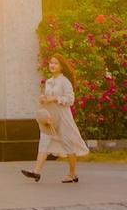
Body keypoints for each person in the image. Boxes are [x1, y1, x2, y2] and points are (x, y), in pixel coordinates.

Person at [21, 53, 89, 183]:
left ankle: (72, 174)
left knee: (68, 145)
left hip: (63, 118)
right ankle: (36, 171)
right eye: (51, 63)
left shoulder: (65, 82)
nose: (52, 65)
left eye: (55, 63)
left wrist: (56, 98)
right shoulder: (49, 82)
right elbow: (47, 98)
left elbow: (70, 99)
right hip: (50, 118)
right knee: (44, 142)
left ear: (61, 67)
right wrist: (43, 99)